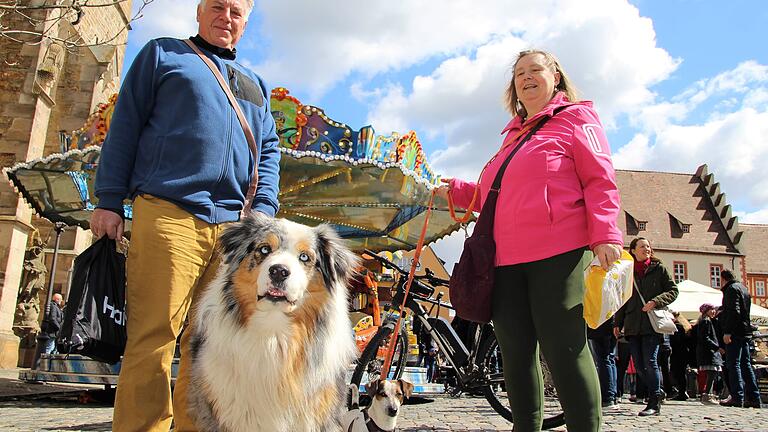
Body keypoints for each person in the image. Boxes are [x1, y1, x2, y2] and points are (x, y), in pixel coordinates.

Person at [90, 0, 281, 429]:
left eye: (236, 11)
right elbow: (126, 126)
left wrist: (264, 210)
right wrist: (108, 199)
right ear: (199, 11)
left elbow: (269, 149)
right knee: (153, 337)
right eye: (217, 6)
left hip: (234, 230)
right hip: (167, 212)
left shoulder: (256, 84)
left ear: (246, 22)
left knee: (210, 345)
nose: (225, 17)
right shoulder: (162, 53)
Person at [439, 49, 623, 432]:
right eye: (519, 73)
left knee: (564, 350)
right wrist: (454, 191)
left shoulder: (576, 118)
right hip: (503, 261)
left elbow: (600, 178)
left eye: (534, 69)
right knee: (516, 355)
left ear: (555, 75)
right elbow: (494, 196)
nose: (526, 77)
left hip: (556, 253)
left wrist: (606, 232)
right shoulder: (510, 137)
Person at [614, 237, 678, 416]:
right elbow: (623, 298)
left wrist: (656, 301)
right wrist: (618, 322)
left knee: (650, 362)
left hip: (652, 324)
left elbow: (673, 290)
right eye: (642, 246)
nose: (646, 249)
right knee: (640, 366)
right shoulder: (628, 271)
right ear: (633, 250)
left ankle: (654, 401)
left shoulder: (659, 269)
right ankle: (656, 391)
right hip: (633, 324)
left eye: (648, 246)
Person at [718, 270, 763, 408]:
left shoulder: (731, 289)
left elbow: (734, 311)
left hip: (735, 333)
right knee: (746, 365)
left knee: (734, 364)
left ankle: (737, 396)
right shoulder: (743, 289)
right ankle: (754, 397)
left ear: (723, 279)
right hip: (745, 332)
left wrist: (727, 332)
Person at [588, 317, 619, 409]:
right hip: (609, 325)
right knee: (609, 359)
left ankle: (608, 397)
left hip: (601, 326)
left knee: (604, 360)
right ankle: (612, 396)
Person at [696, 303, 723, 404]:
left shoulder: (705, 321)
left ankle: (708, 394)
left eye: (714, 309)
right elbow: (705, 338)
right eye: (711, 309)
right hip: (709, 352)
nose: (714, 311)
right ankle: (707, 395)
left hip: (707, 351)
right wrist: (717, 347)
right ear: (706, 311)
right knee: (712, 373)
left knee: (712, 374)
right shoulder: (706, 321)